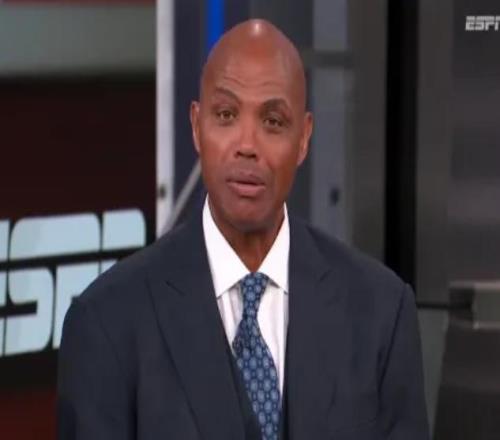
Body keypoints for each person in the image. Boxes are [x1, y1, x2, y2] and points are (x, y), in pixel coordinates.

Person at [57, 19, 429, 440]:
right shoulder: (107, 322)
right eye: (226, 115)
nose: (247, 145)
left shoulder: (381, 312)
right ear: (196, 126)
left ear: (304, 138)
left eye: (273, 121)